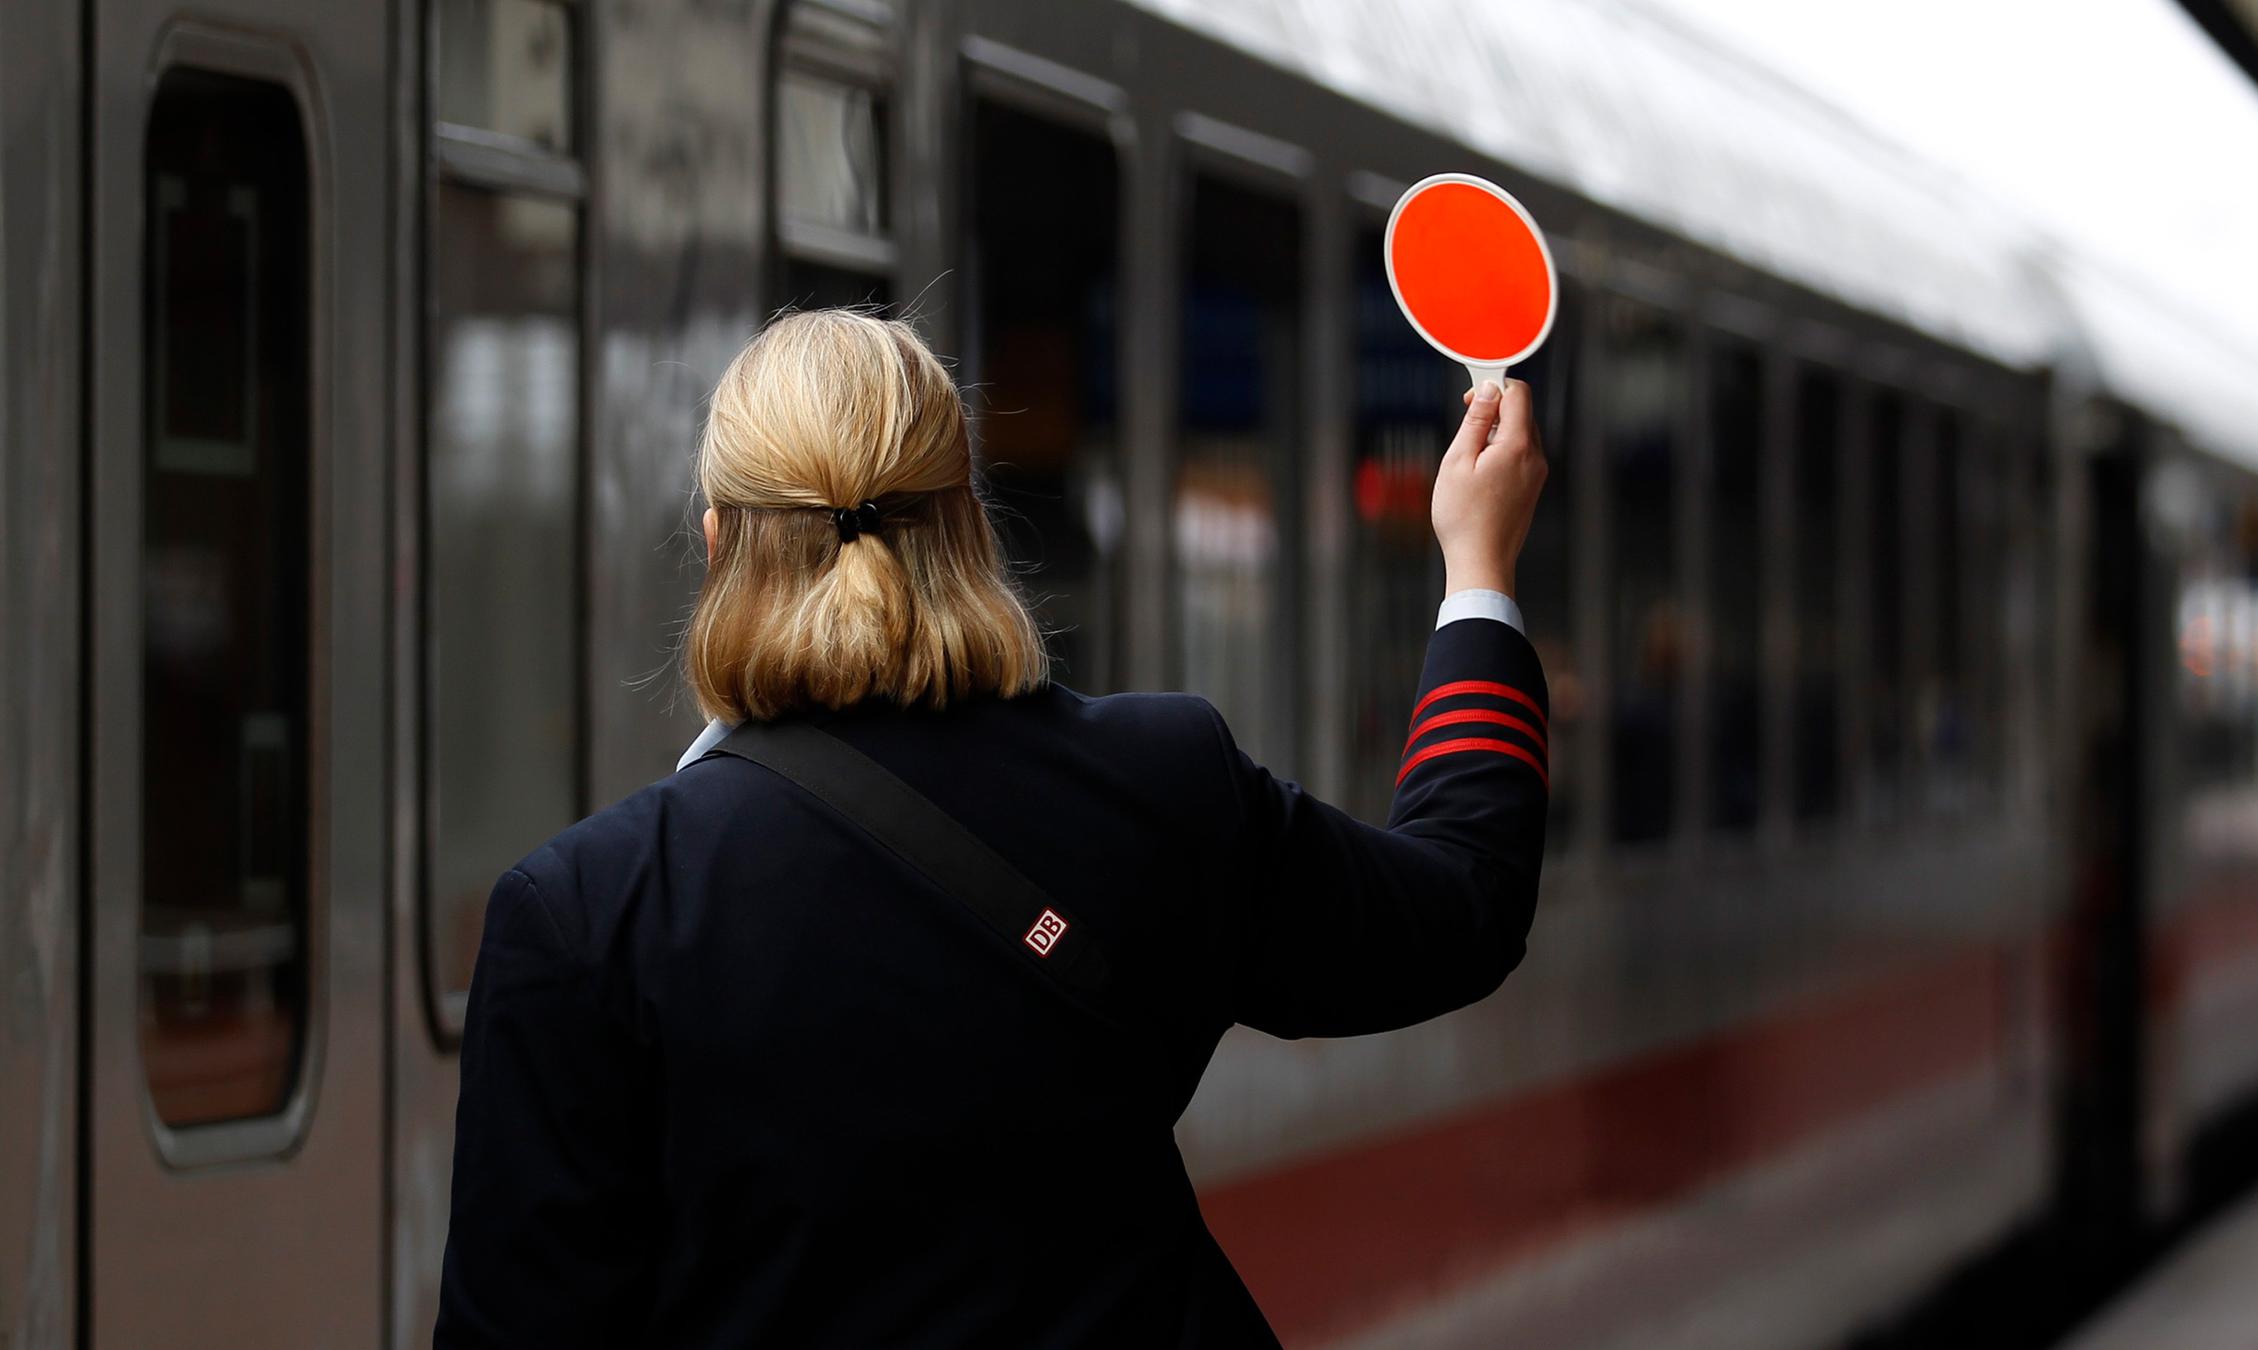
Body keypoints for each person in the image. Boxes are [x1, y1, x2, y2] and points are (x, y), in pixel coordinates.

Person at [434, 310, 1550, 1347]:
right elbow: (1463, 903)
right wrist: (1477, 569)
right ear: (969, 526)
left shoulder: (583, 914)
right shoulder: (1164, 785)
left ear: (722, 544)